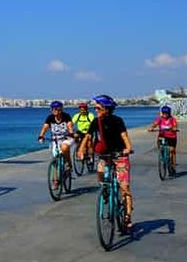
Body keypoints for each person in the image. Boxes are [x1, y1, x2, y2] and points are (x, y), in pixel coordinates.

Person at [77, 94, 134, 229]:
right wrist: (81, 149)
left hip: (120, 155)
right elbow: (88, 136)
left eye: (98, 108)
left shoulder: (117, 121)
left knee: (124, 187)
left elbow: (124, 136)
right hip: (105, 155)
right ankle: (105, 190)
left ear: (106, 108)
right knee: (100, 171)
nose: (96, 111)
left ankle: (127, 215)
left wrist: (128, 148)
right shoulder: (96, 122)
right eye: (95, 108)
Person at [37, 101, 75, 173]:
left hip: (66, 138)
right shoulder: (50, 117)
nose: (55, 110)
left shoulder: (66, 116)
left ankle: (69, 164)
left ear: (61, 109)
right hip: (55, 140)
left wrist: (71, 133)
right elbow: (45, 127)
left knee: (64, 147)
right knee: (55, 160)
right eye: (53, 109)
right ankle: (56, 179)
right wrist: (41, 136)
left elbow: (70, 125)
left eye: (57, 109)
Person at [148, 105, 179, 175]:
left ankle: (173, 166)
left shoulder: (172, 119)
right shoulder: (160, 119)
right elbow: (155, 123)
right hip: (162, 136)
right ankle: (162, 155)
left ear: (169, 113)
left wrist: (174, 129)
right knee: (159, 143)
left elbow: (175, 126)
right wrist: (152, 128)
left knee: (172, 151)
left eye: (166, 113)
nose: (165, 114)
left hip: (171, 137)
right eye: (164, 113)